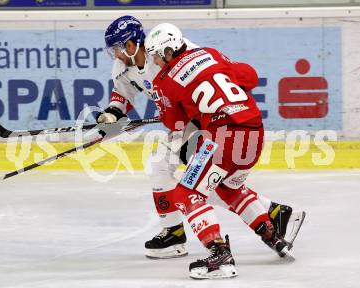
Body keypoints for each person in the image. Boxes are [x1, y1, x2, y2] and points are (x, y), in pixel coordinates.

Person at [99, 16, 305, 261]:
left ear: (133, 44)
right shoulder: (131, 64)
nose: (116, 55)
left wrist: (178, 112)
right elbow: (123, 94)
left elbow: (177, 108)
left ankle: (188, 237)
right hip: (224, 124)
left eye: (118, 49)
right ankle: (275, 213)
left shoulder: (170, 55)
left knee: (193, 183)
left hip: (203, 124)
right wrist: (112, 113)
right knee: (185, 172)